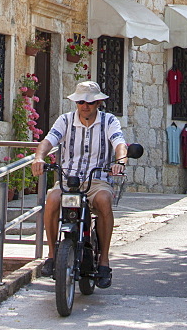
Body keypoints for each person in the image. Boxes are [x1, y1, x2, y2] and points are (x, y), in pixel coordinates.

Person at [30, 80, 128, 289]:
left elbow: (119, 143)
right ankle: (52, 255)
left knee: (103, 201)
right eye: (81, 101)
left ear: (99, 103)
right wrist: (39, 158)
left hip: (97, 179)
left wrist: (120, 162)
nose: (85, 106)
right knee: (52, 199)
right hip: (68, 179)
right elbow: (48, 141)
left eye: (90, 103)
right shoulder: (65, 121)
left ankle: (104, 261)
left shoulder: (109, 121)